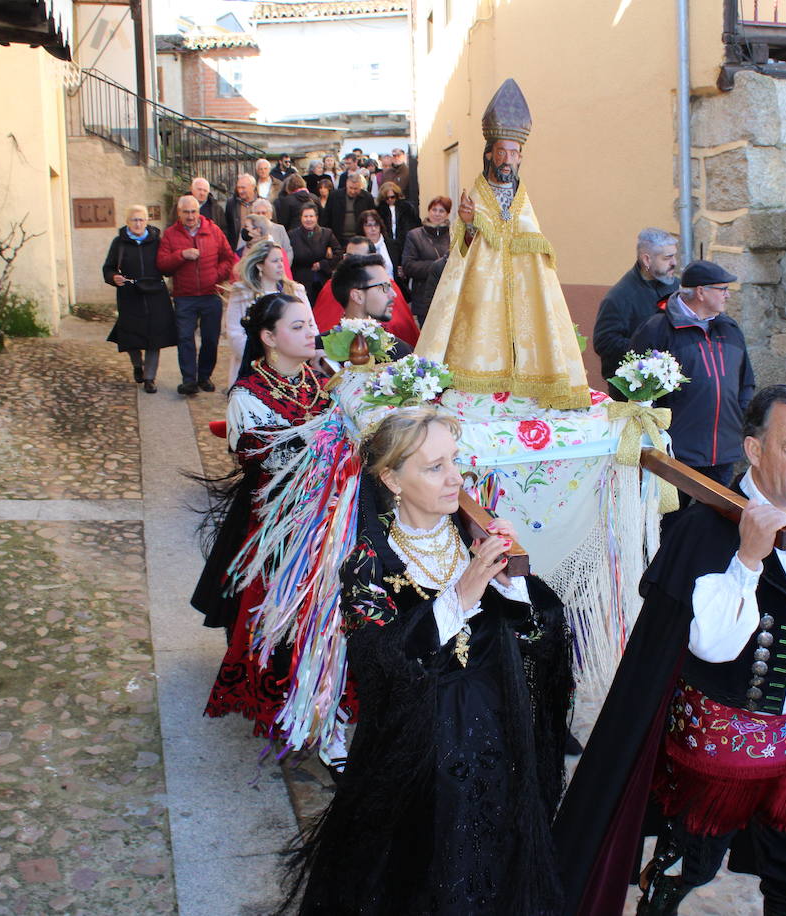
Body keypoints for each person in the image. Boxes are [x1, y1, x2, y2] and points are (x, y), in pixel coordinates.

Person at [553, 385, 786, 916]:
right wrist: (748, 559)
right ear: (754, 449)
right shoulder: (707, 526)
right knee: (687, 869)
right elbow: (712, 645)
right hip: (719, 757)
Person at [287, 407, 572, 915]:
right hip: (417, 758)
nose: (455, 478)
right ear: (391, 478)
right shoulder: (368, 564)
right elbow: (379, 666)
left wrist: (514, 584)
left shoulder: (473, 539)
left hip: (493, 743)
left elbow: (535, 638)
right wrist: (461, 596)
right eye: (434, 466)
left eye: (455, 461)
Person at [198, 294, 333, 731]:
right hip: (281, 526)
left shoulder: (316, 380)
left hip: (326, 516)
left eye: (310, 323)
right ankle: (286, 701)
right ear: (269, 337)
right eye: (298, 327)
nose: (312, 331)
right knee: (283, 614)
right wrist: (330, 435)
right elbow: (268, 459)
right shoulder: (247, 395)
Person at [414, 79, 588, 409]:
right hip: (481, 291)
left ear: (520, 157)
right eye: (501, 152)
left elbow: (535, 251)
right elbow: (461, 253)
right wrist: (468, 225)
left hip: (522, 294)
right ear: (490, 155)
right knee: (479, 335)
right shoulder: (475, 196)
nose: (507, 159)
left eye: (514, 153)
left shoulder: (523, 200)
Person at [630, 260, 755, 487]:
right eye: (723, 289)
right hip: (677, 452)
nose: (728, 295)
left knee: (716, 521)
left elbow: (746, 381)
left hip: (724, 452)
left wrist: (741, 416)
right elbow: (637, 389)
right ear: (701, 292)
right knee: (673, 521)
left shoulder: (730, 329)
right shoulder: (657, 329)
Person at [157, 194, 237, 395]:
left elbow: (229, 258)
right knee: (185, 338)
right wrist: (181, 255)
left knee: (210, 339)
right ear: (179, 213)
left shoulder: (213, 231)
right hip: (185, 296)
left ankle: (204, 376)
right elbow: (162, 265)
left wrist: (216, 276)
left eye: (193, 211)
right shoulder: (170, 235)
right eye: (186, 212)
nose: (190, 216)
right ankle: (189, 380)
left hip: (211, 294)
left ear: (199, 211)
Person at [593, 229, 679, 398]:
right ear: (646, 259)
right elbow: (604, 342)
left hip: (671, 389)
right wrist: (650, 353)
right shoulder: (619, 297)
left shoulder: (676, 287)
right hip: (634, 393)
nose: (674, 263)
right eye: (667, 258)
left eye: (674, 256)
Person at [102, 205, 177, 394]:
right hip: (130, 294)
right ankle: (137, 365)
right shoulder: (119, 243)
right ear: (127, 222)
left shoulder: (157, 241)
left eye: (141, 220)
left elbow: (167, 266)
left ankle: (150, 378)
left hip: (155, 294)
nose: (138, 223)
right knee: (130, 335)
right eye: (134, 220)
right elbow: (108, 268)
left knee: (155, 337)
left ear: (147, 221)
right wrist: (113, 278)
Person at [224, 238, 309, 388]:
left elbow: (310, 325)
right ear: (260, 265)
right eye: (274, 261)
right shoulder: (242, 293)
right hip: (252, 366)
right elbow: (234, 332)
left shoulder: (296, 291)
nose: (280, 265)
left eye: (281, 260)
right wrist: (263, 358)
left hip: (290, 365)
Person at [316, 250, 417, 353]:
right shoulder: (318, 351)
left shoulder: (400, 352)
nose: (393, 294)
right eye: (384, 287)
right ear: (357, 296)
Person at [400, 195, 451, 324]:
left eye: (441, 211)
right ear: (429, 211)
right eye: (434, 210)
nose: (437, 214)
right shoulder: (415, 235)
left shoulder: (454, 235)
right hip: (423, 299)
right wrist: (437, 267)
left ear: (447, 214)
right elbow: (408, 265)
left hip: (448, 298)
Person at [288, 204, 340, 304]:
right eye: (305, 216)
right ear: (301, 218)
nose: (308, 219)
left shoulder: (327, 233)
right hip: (300, 279)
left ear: (316, 217)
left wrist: (323, 264)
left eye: (311, 216)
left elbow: (338, 253)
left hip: (321, 278)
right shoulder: (292, 234)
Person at [375, 182, 419, 286]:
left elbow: (414, 224)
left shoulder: (406, 208)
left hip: (404, 243)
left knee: (404, 273)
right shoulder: (379, 210)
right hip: (388, 244)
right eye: (387, 198)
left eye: (392, 197)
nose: (390, 200)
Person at [325, 172, 376, 242]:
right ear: (346, 184)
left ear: (360, 186)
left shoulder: (367, 198)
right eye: (350, 188)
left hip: (361, 239)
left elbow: (373, 218)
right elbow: (326, 219)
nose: (352, 191)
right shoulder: (334, 196)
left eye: (356, 189)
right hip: (337, 239)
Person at [249, 198, 294, 265]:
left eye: (264, 213)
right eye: (258, 213)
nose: (261, 215)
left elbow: (288, 251)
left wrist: (284, 267)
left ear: (270, 214)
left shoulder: (280, 229)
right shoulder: (248, 230)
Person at [223, 173, 256, 248]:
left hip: (258, 246)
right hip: (237, 248)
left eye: (243, 188)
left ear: (253, 187)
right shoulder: (231, 204)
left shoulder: (262, 204)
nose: (240, 191)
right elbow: (227, 227)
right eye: (238, 188)